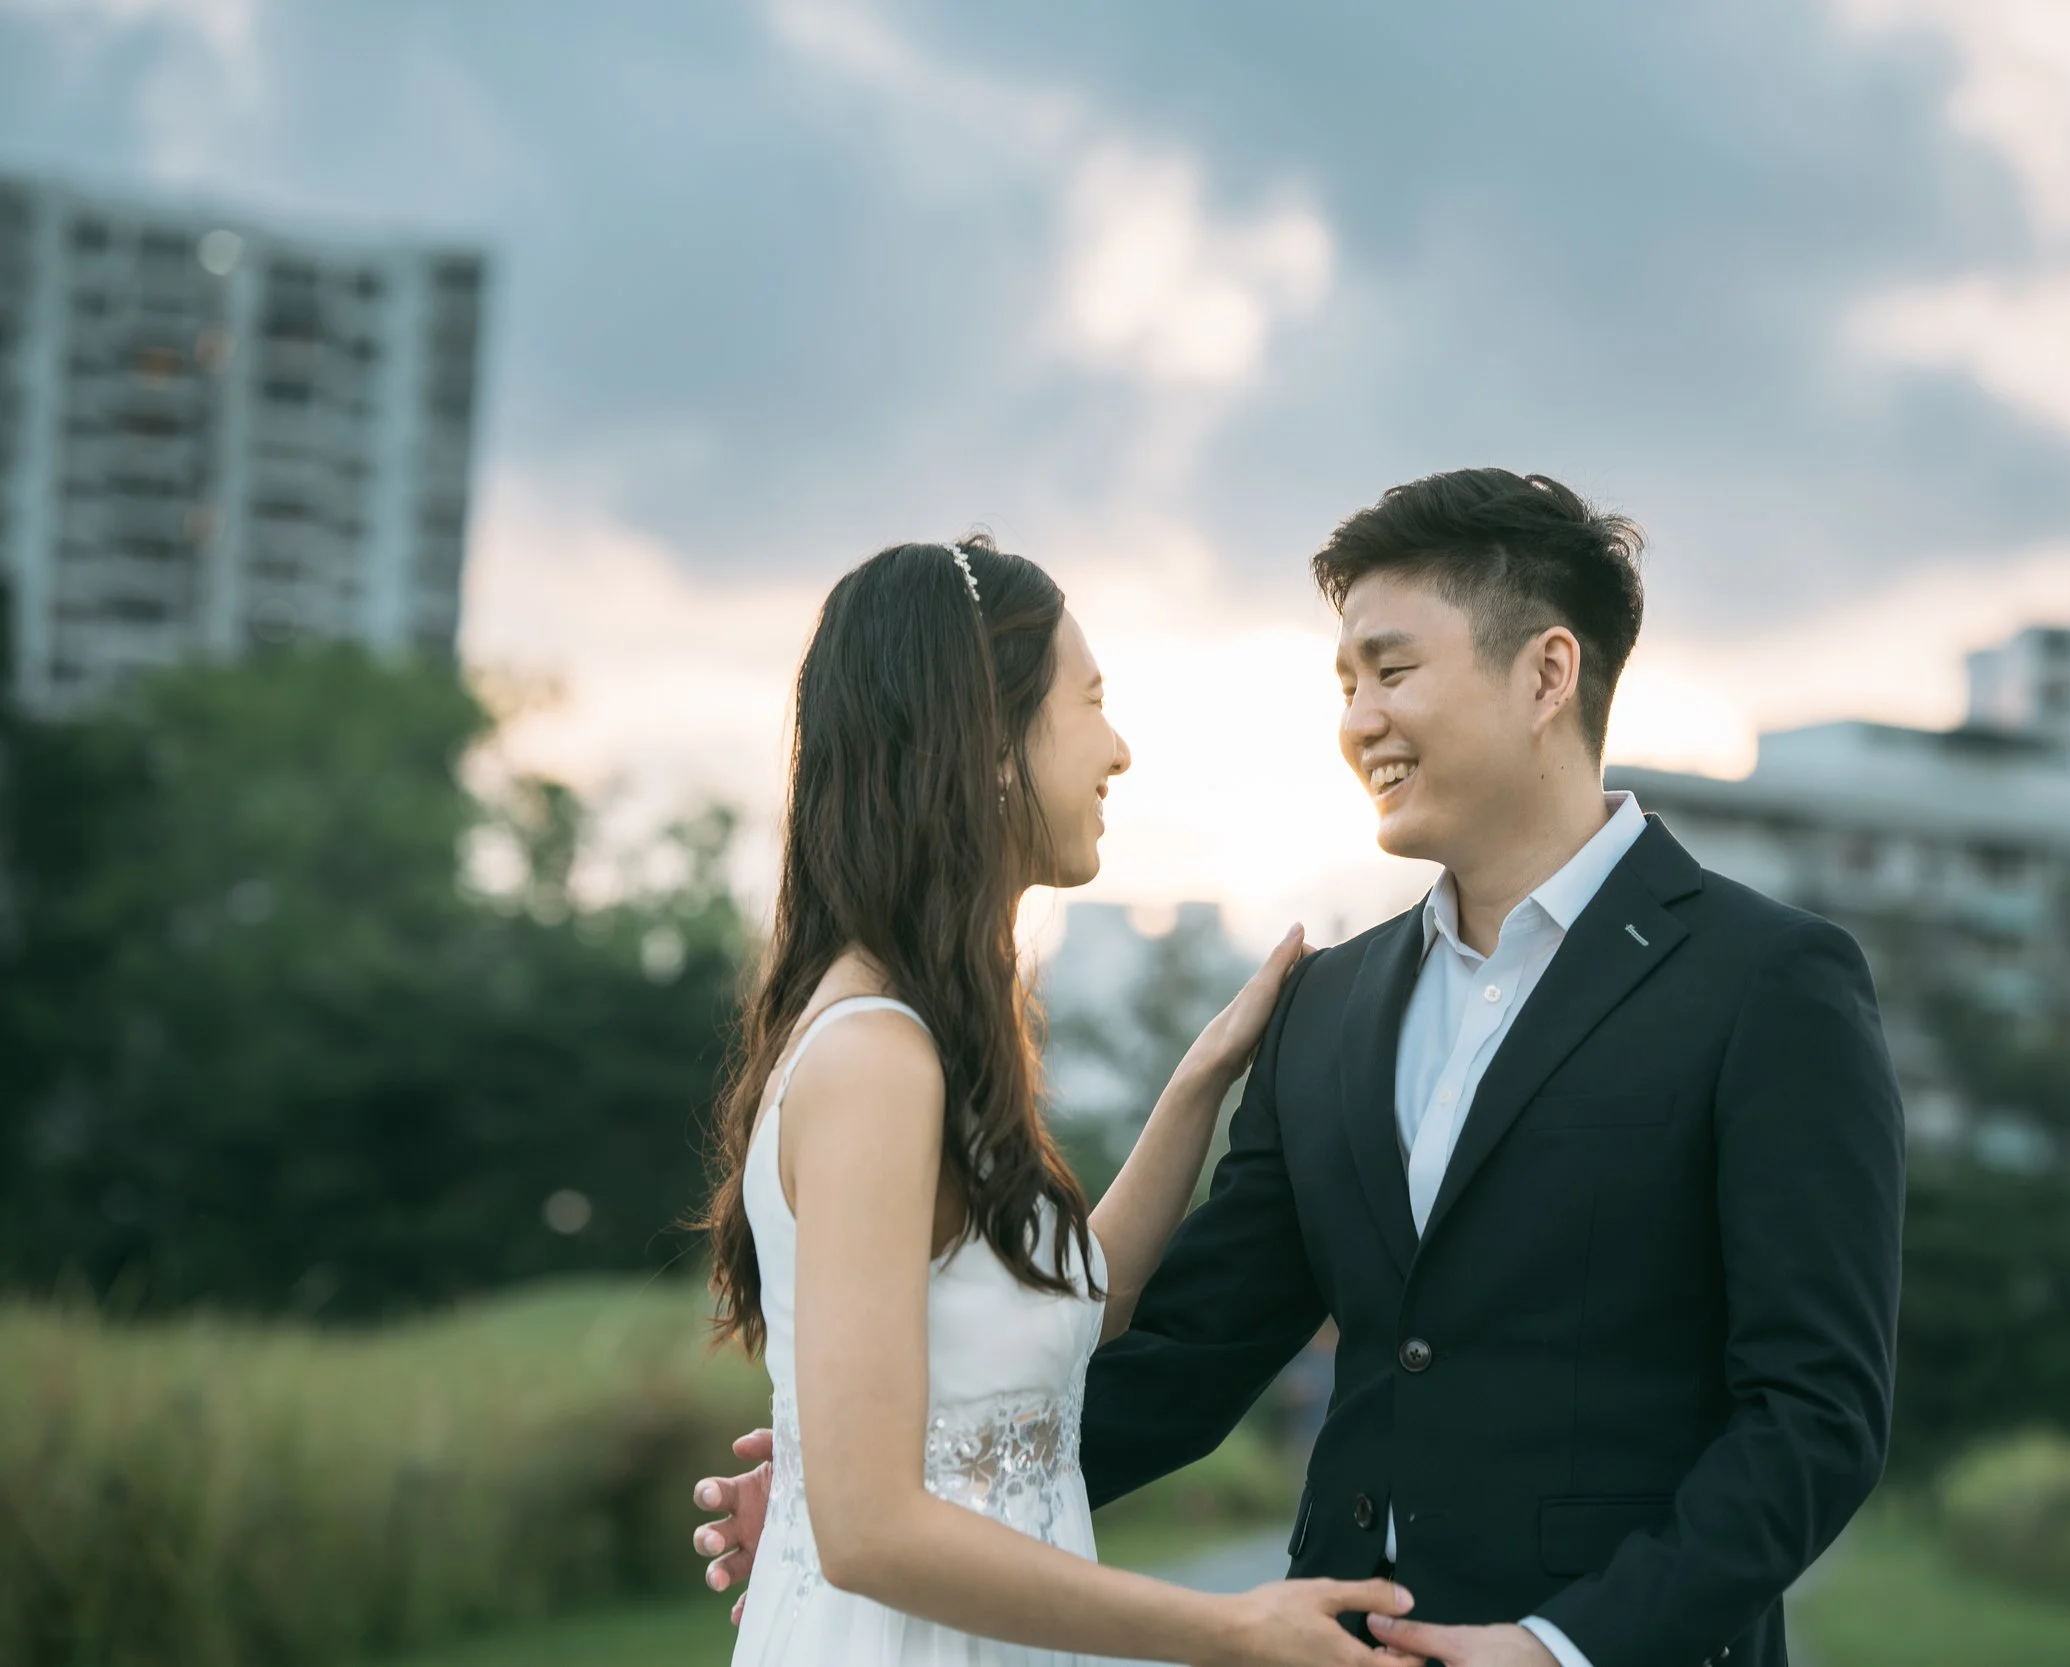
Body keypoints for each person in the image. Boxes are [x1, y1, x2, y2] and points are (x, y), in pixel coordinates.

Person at [697, 474, 1907, 1667]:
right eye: (1344, 683)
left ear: (1548, 673)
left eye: (1391, 670)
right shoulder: (1326, 1008)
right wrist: (873, 1476)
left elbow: (1815, 1415)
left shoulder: (1766, 983)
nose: (1358, 720)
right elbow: (1186, 1350)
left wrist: (1562, 1647)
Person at [698, 535, 1422, 1667]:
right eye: (1091, 701)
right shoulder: (877, 1058)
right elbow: (868, 1528)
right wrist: (1230, 1626)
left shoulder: (927, 1033)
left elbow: (1061, 1307)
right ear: (989, 741)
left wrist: (1198, 1082)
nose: (1120, 749)